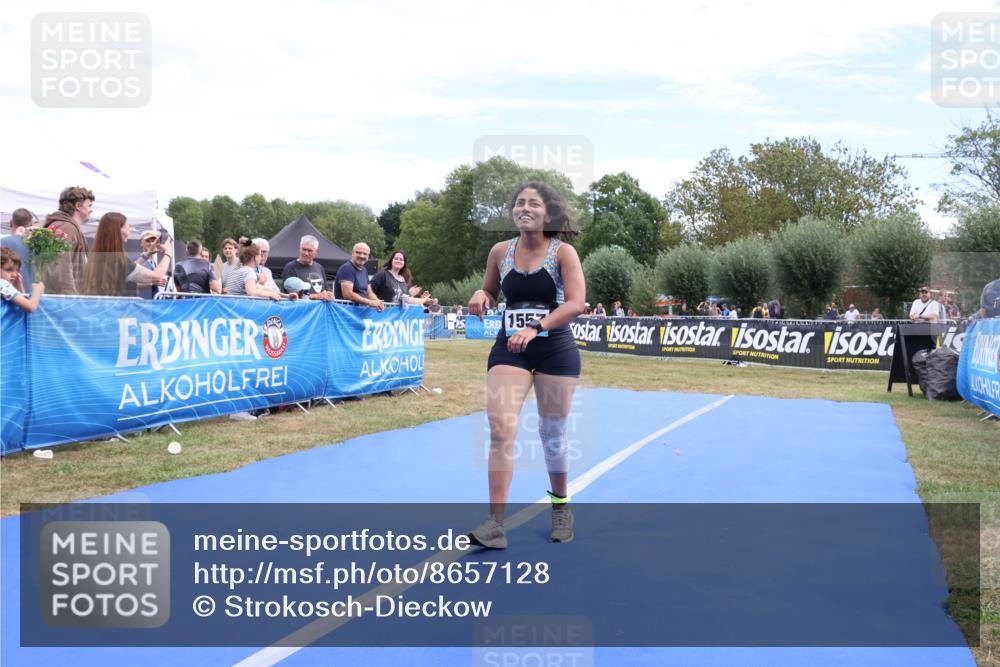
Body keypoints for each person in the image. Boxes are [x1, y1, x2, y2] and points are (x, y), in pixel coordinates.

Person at [467, 181, 585, 548]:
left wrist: (536, 328)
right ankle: (495, 524)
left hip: (555, 350)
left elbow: (576, 304)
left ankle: (561, 507)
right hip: (511, 349)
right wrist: (481, 294)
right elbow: (490, 289)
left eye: (533, 203)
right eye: (519, 203)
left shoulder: (564, 253)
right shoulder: (500, 251)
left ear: (547, 213)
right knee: (501, 427)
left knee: (552, 436)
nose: (525, 208)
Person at [82, 212, 173, 297]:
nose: (128, 232)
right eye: (127, 228)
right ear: (118, 230)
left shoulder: (100, 256)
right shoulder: (116, 259)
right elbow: (157, 276)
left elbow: (128, 269)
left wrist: (147, 255)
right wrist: (168, 253)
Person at [43, 186, 93, 295]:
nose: (91, 210)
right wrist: (71, 299)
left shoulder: (66, 226)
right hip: (64, 301)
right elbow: (60, 268)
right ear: (78, 206)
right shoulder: (66, 227)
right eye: (89, 205)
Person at [223, 238, 296, 300]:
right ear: (255, 257)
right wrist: (270, 295)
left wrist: (286, 296)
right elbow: (252, 292)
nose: (262, 257)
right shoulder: (249, 272)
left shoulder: (239, 270)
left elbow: (262, 288)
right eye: (260, 254)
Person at [369, 250, 434, 306]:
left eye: (401, 259)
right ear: (391, 260)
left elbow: (408, 300)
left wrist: (424, 300)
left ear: (404, 263)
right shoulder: (382, 274)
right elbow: (368, 290)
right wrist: (377, 302)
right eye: (396, 258)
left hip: (397, 318)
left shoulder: (403, 280)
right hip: (380, 314)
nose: (398, 261)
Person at [282, 235, 334, 301]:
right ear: (299, 249)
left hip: (319, 310)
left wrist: (330, 296)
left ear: (317, 251)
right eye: (304, 249)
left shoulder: (319, 267)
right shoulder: (290, 267)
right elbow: (292, 296)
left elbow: (325, 292)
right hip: (301, 310)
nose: (306, 253)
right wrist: (317, 296)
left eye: (309, 250)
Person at [334, 242, 384, 311]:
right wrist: (370, 302)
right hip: (345, 314)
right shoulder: (347, 268)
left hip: (359, 315)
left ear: (368, 256)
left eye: (365, 254)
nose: (362, 256)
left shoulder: (364, 270)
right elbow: (348, 294)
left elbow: (369, 292)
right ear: (352, 253)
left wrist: (378, 302)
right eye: (358, 252)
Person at [0, 247, 43, 312]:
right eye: (9, 270)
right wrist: (37, 290)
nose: (14, 274)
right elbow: (30, 307)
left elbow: (22, 302)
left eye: (17, 270)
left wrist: (19, 286)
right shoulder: (2, 284)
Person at [134, 230, 167, 299]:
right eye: (148, 241)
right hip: (142, 302)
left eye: (153, 241)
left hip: (152, 301)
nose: (151, 243)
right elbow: (132, 284)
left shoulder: (153, 262)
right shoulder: (137, 260)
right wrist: (152, 283)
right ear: (141, 243)